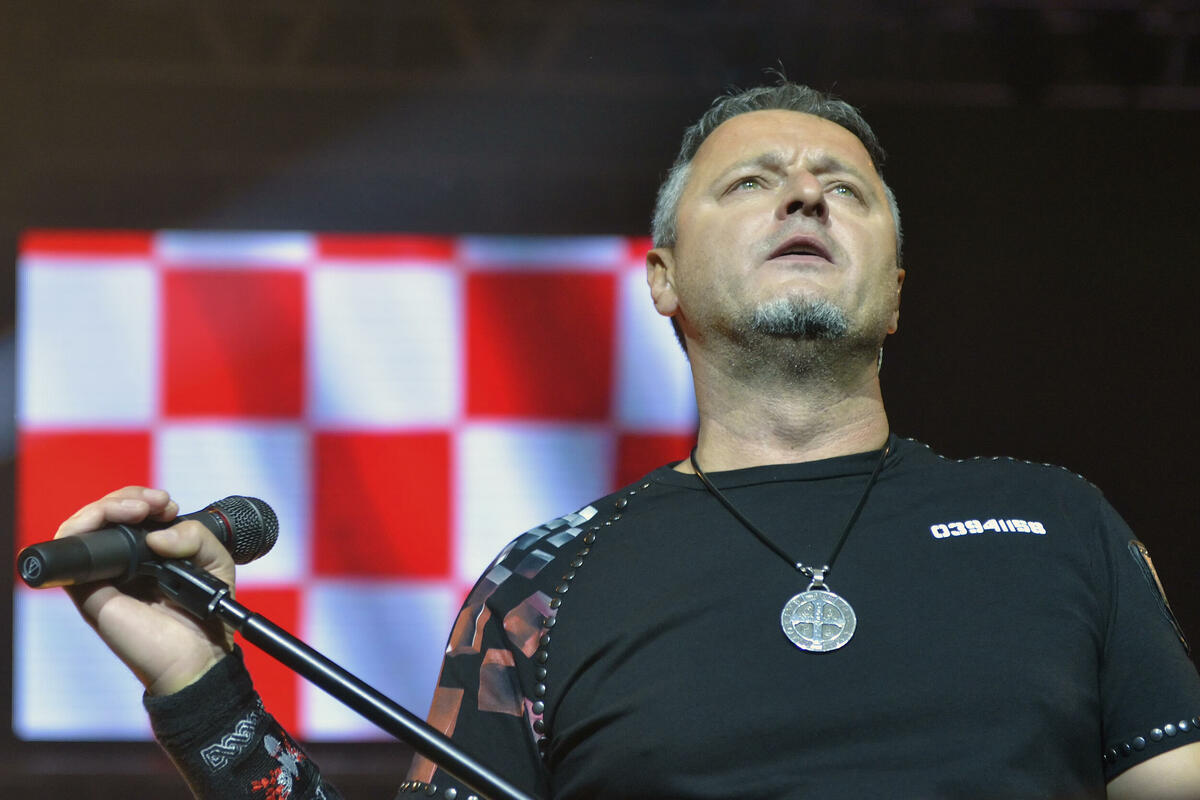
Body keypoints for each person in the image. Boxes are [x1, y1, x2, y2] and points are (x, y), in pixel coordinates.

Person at [55, 82, 1200, 799]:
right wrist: (203, 689)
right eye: (752, 182)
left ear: (896, 290)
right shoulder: (544, 580)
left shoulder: (1061, 522)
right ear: (663, 279)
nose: (806, 197)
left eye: (846, 188)